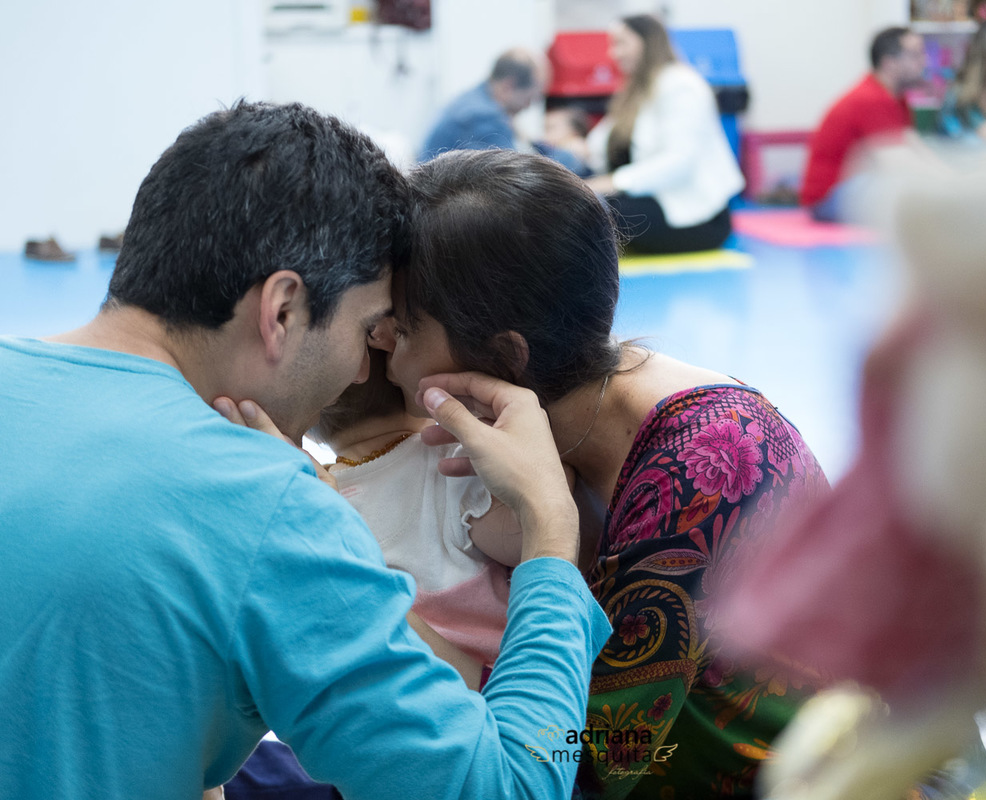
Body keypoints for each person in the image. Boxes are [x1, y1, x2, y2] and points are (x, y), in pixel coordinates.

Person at [0, 101, 609, 800]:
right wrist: (550, 539)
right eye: (370, 326)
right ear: (283, 309)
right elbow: (512, 788)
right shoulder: (268, 506)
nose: (362, 371)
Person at [387, 147, 829, 798]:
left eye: (400, 331)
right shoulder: (577, 419)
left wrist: (377, 615)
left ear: (506, 355)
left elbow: (579, 758)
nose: (382, 354)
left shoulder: (705, 467)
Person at [310, 350, 523, 686]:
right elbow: (528, 537)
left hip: (409, 703)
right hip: (505, 685)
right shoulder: (451, 461)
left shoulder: (321, 499)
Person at [584, 14, 744, 254]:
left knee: (592, 210)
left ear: (647, 42)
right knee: (578, 198)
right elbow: (600, 142)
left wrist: (613, 183)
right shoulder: (636, 91)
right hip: (654, 201)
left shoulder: (681, 85)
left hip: (695, 216)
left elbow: (679, 161)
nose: (613, 54)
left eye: (621, 43)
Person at [800, 26, 927, 223]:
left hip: (852, 187)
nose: (924, 62)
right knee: (909, 189)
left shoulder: (897, 99)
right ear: (889, 62)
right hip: (828, 199)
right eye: (915, 55)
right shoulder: (872, 98)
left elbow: (915, 147)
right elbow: (899, 164)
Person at [418, 48, 587, 175]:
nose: (527, 107)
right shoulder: (485, 117)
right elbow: (517, 177)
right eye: (529, 99)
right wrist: (570, 157)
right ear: (508, 86)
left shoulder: (475, 99)